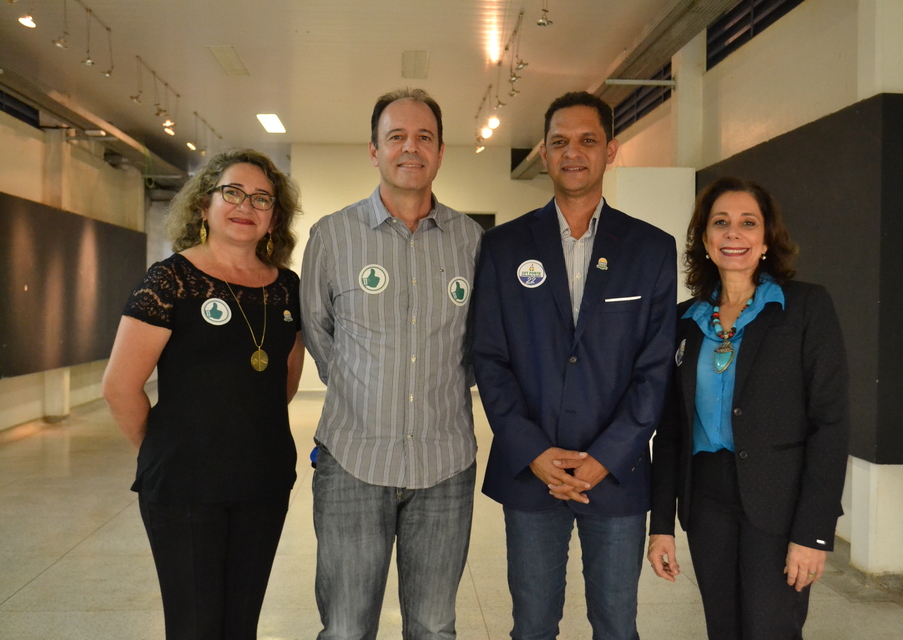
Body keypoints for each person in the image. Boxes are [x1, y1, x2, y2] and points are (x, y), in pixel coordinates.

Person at [472, 91, 677, 640]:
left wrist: (604, 458)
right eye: (559, 141)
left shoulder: (651, 249)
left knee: (616, 625)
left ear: (611, 150)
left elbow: (655, 370)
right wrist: (533, 450)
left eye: (588, 140)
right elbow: (489, 360)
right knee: (533, 625)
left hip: (616, 475)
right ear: (543, 152)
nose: (573, 153)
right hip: (531, 471)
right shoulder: (502, 246)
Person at [300, 88, 483, 640]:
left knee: (433, 627)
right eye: (396, 136)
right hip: (353, 460)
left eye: (424, 136)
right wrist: (367, 390)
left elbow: (478, 345)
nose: (411, 147)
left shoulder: (472, 242)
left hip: (444, 466)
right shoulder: (331, 236)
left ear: (441, 151)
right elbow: (318, 332)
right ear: (374, 150)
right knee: (347, 628)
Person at [102, 148, 305, 640]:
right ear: (203, 205)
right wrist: (163, 451)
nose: (246, 206)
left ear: (274, 217)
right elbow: (120, 387)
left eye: (262, 198)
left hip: (263, 479)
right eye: (232, 192)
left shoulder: (288, 289)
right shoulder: (170, 280)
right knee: (195, 626)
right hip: (185, 486)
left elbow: (284, 380)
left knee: (241, 626)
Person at [647, 177, 850, 639]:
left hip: (779, 503)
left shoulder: (805, 308)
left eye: (747, 223)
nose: (733, 233)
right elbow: (671, 430)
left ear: (766, 239)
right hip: (706, 500)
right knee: (724, 628)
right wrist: (660, 525)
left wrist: (813, 532)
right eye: (721, 223)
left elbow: (831, 424)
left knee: (770, 629)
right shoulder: (684, 320)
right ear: (705, 239)